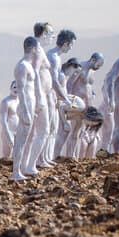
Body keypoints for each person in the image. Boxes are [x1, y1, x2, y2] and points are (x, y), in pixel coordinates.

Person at [11, 38, 41, 180]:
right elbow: (21, 90)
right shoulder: (22, 66)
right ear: (33, 48)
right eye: (38, 48)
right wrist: (26, 111)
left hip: (30, 105)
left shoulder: (29, 65)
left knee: (28, 138)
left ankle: (22, 168)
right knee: (21, 140)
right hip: (25, 106)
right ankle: (15, 172)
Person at [46, 29, 77, 161]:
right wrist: (65, 99)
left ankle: (47, 158)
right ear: (65, 44)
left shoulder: (57, 57)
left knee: (52, 130)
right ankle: (43, 159)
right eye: (71, 45)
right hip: (48, 96)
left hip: (54, 97)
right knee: (47, 130)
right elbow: (54, 81)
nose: (71, 48)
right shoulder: (53, 57)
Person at [0, 80, 20, 159]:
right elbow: (3, 120)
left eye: (19, 87)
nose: (16, 89)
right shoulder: (6, 102)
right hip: (8, 132)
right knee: (6, 156)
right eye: (14, 87)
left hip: (18, 132)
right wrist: (8, 135)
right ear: (10, 88)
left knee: (17, 155)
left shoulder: (20, 101)